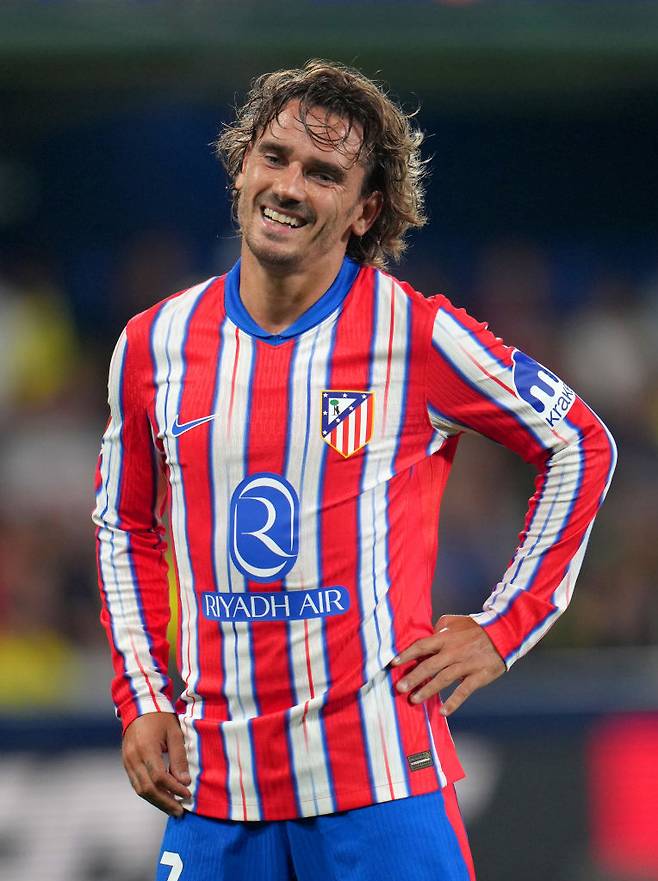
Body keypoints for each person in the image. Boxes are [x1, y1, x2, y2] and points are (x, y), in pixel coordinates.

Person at [93, 60, 616, 881]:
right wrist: (145, 696)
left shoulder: (417, 334)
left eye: (324, 172)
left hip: (381, 784)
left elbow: (580, 442)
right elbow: (123, 523)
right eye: (274, 157)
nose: (289, 186)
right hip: (213, 786)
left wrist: (505, 626)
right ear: (241, 167)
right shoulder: (152, 344)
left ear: (366, 209)